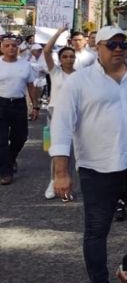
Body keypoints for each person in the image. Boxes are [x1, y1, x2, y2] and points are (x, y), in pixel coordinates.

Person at [50, 26, 127, 283]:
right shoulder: (78, 82)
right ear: (97, 48)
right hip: (98, 167)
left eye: (123, 44)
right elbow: (61, 127)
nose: (118, 49)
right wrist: (61, 172)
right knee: (97, 230)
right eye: (112, 44)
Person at [0, 34, 40, 185]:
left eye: (14, 45)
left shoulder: (25, 65)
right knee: (1, 141)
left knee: (20, 137)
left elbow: (31, 85)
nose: (11, 48)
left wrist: (35, 106)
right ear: (2, 48)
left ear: (18, 48)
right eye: (7, 46)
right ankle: (5, 172)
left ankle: (10, 158)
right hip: (1, 103)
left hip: (18, 104)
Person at [42, 27, 76, 199]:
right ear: (60, 59)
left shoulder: (81, 76)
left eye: (71, 56)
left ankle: (66, 186)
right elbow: (47, 51)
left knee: (71, 152)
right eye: (65, 56)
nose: (68, 59)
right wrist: (60, 32)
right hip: (55, 114)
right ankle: (53, 180)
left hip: (75, 115)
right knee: (57, 151)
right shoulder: (55, 72)